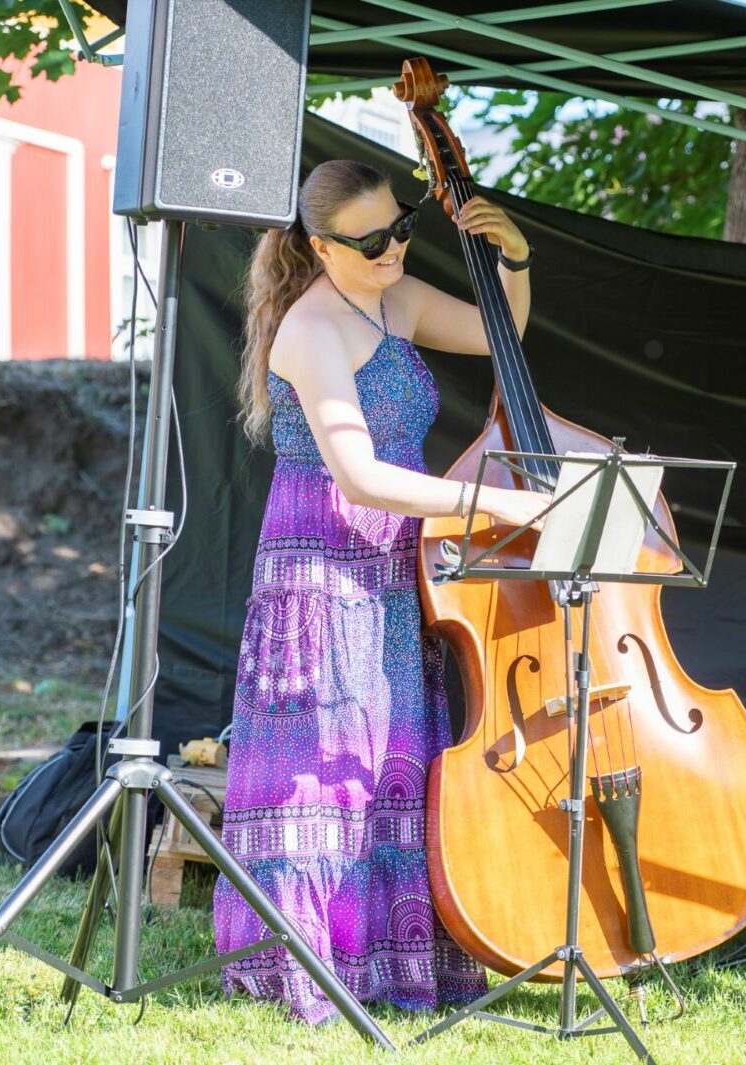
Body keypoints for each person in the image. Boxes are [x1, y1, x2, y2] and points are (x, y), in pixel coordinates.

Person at [215, 159, 548, 1022]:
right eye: (370, 241)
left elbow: (500, 332)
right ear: (320, 247)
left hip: (397, 561)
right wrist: (501, 505)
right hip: (322, 559)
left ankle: (393, 962)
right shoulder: (312, 328)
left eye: (401, 227)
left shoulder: (390, 296)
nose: (394, 248)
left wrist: (514, 255)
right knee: (327, 766)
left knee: (392, 750)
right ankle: (303, 966)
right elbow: (358, 475)